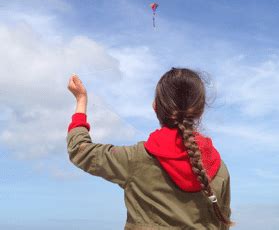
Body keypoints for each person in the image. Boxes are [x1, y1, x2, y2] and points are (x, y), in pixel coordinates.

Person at [67, 67, 234, 229]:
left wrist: (81, 100)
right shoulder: (220, 169)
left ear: (155, 107)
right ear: (200, 110)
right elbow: (222, 223)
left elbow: (79, 149)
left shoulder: (135, 159)